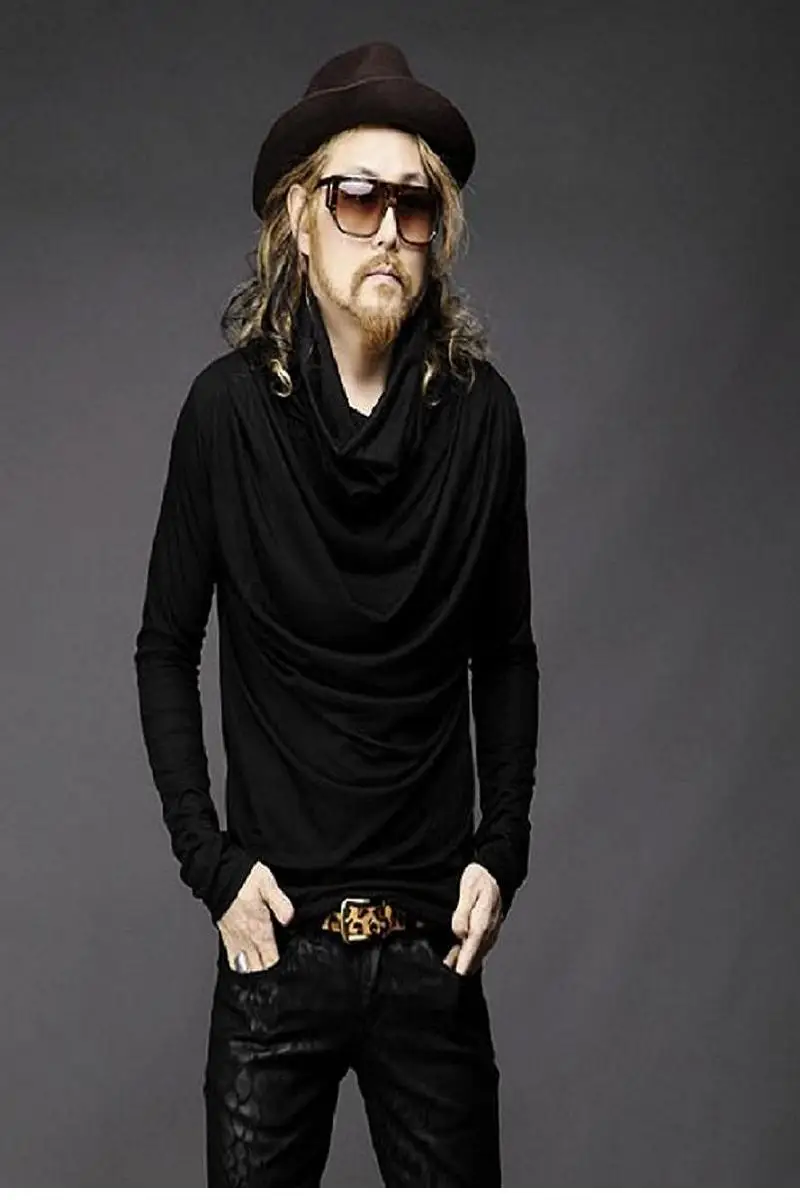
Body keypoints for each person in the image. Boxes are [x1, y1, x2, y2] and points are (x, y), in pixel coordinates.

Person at [133, 39, 539, 1187]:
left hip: (430, 957)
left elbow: (505, 654)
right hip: (274, 956)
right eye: (356, 197)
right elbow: (165, 646)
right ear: (298, 222)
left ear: (435, 233)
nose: (386, 231)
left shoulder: (482, 420)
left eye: (414, 205)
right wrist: (211, 867)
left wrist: (502, 851)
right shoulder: (224, 417)